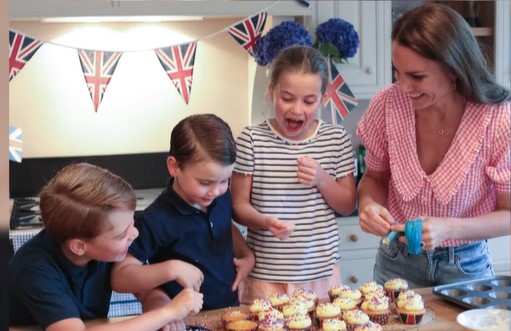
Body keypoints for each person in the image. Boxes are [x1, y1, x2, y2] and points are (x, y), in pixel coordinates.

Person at [356, 3, 510, 288]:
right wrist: (367, 204)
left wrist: (450, 228)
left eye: (416, 76)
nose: (402, 87)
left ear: (454, 69)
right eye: (397, 72)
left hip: (465, 266)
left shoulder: (497, 119)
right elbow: (375, 176)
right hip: (395, 258)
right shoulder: (386, 105)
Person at [9, 163, 203, 331]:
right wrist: (168, 312)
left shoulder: (108, 249)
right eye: (122, 234)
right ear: (79, 246)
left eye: (132, 223)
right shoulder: (33, 268)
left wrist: (163, 312)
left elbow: (146, 291)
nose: (134, 234)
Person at [231, 45, 357, 303]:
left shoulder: (336, 140)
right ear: (271, 92)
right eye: (287, 98)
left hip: (320, 275)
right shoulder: (252, 140)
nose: (297, 110)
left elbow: (347, 205)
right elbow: (238, 207)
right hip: (265, 276)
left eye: (309, 101)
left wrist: (322, 179)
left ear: (323, 99)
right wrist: (265, 221)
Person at [111, 114, 255, 312]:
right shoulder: (155, 219)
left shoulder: (221, 197)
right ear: (174, 166)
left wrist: (247, 255)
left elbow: (224, 227)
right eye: (204, 183)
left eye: (224, 181)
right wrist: (171, 269)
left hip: (227, 313)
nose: (215, 191)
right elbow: (120, 277)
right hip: (184, 320)